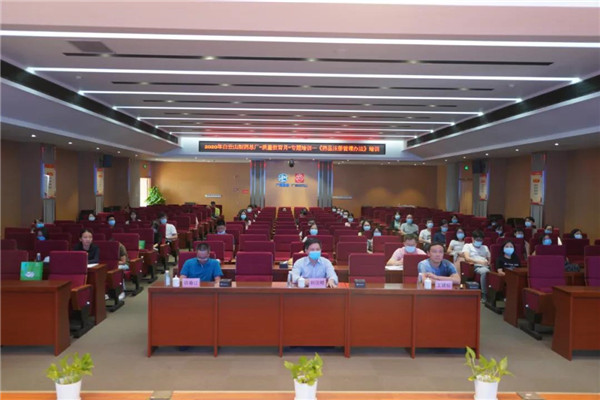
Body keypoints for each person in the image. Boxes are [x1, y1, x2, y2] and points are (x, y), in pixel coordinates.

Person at [462, 230, 491, 296]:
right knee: (484, 272)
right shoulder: (467, 246)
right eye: (477, 240)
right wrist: (479, 262)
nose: (479, 242)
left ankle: (491, 294)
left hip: (485, 265)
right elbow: (467, 258)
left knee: (489, 272)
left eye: (481, 240)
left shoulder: (485, 247)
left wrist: (488, 263)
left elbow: (489, 259)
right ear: (473, 239)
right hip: (474, 266)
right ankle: (484, 294)